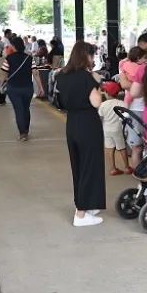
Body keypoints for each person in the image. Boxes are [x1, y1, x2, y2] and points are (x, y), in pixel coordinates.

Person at [55, 41, 106, 227]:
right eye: (91, 55)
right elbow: (96, 102)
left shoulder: (62, 75)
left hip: (72, 123)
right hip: (88, 123)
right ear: (86, 56)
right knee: (89, 166)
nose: (93, 59)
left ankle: (87, 205)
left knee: (78, 166)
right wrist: (98, 85)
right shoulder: (87, 77)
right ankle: (81, 214)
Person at [0, 37, 44, 141]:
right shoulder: (29, 58)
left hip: (13, 88)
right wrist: (40, 87)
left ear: (14, 46)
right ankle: (26, 131)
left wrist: (1, 85)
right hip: (27, 88)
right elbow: (35, 73)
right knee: (26, 109)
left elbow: (4, 73)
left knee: (18, 110)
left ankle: (22, 133)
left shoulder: (9, 58)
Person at [119, 40, 147, 168]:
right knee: (137, 147)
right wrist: (141, 87)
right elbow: (124, 85)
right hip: (135, 111)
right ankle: (139, 176)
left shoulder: (146, 67)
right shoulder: (130, 67)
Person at [99, 82, 132, 176]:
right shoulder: (121, 103)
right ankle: (126, 167)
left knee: (110, 148)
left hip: (106, 130)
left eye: (105, 91)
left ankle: (113, 169)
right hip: (117, 129)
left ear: (107, 93)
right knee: (122, 148)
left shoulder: (103, 105)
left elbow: (100, 118)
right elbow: (126, 115)